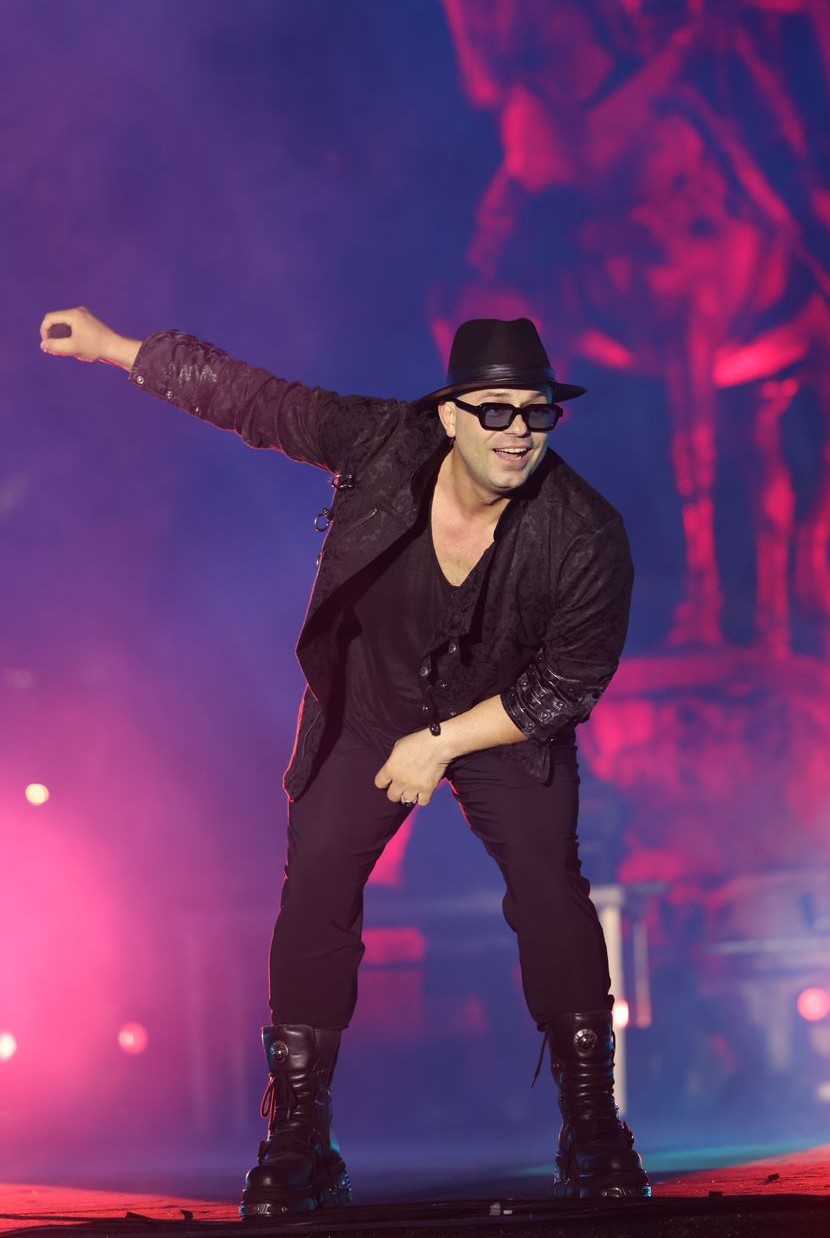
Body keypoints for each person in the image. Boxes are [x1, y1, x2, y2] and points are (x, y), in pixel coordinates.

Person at [39, 305, 650, 1212]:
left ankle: (593, 1129)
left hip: (501, 723)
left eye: (536, 412)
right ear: (449, 415)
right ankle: (299, 1138)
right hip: (369, 710)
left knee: (549, 884)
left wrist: (443, 743)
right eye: (495, 410)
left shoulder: (585, 532)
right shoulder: (381, 443)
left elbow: (566, 685)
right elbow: (256, 400)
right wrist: (115, 348)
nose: (518, 431)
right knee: (317, 880)